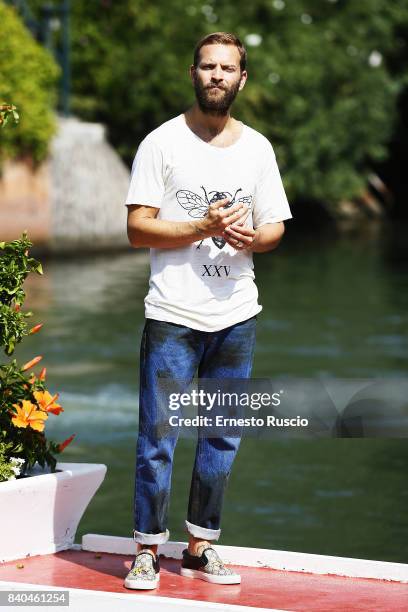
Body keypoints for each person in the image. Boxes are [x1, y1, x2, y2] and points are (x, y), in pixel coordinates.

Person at [123, 31, 293, 590]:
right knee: (158, 437)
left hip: (237, 316)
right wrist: (202, 226)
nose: (217, 75)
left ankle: (201, 547)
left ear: (242, 79)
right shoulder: (162, 144)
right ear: (193, 74)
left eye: (227, 68)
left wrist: (249, 237)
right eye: (207, 67)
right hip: (173, 313)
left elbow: (274, 229)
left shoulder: (259, 149)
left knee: (221, 436)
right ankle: (147, 549)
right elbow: (136, 227)